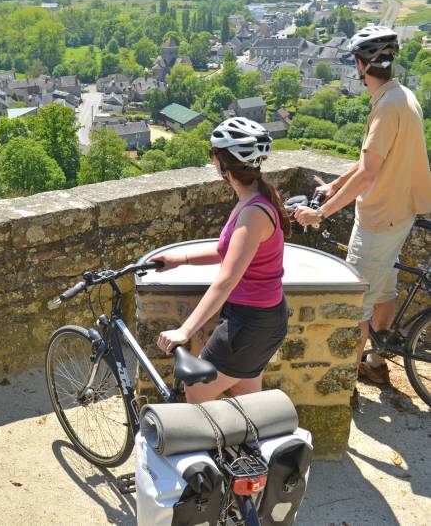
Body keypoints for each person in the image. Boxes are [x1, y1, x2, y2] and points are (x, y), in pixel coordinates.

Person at [294, 25, 431, 387]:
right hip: (399, 213)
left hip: (379, 217)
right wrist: (336, 185)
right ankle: (375, 361)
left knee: (356, 301)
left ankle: (346, 384)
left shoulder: (387, 107)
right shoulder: (401, 96)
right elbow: (370, 159)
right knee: (384, 288)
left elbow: (369, 173)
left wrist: (320, 212)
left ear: (361, 64)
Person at [152, 118, 291, 404]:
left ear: (221, 162)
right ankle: (250, 448)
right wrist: (182, 258)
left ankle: (218, 447)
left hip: (249, 324)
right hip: (263, 319)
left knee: (197, 392)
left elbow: (227, 279)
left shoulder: (252, 213)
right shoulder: (257, 197)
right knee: (246, 399)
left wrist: (184, 331)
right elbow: (233, 254)